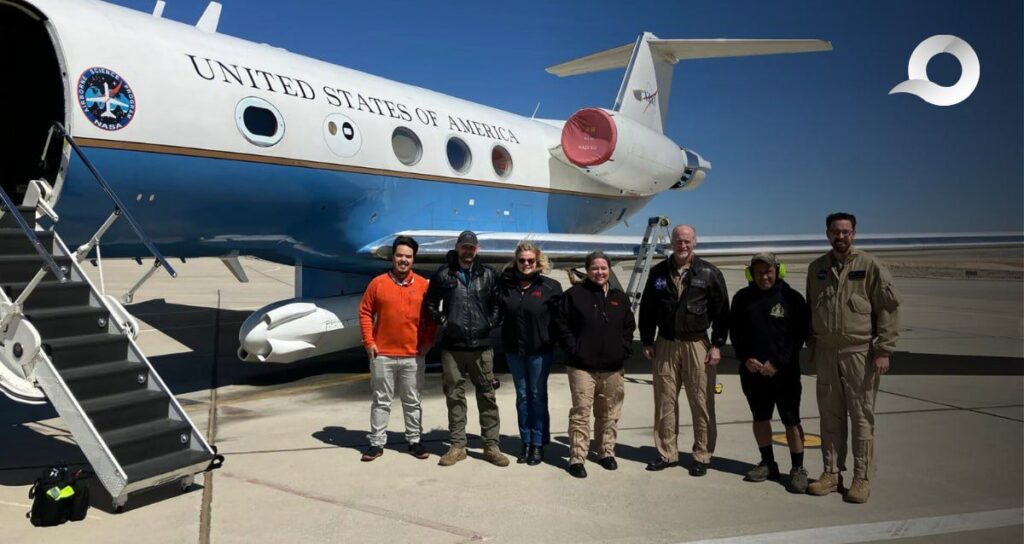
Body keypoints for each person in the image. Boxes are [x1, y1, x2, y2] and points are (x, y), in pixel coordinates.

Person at [805, 212, 901, 503]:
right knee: (829, 416)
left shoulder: (870, 265)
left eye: (846, 232)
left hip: (858, 353)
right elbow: (811, 308)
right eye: (835, 231)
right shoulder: (817, 268)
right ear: (827, 234)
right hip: (826, 353)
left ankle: (862, 478)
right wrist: (813, 345)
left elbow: (887, 309)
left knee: (861, 416)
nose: (841, 236)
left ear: (854, 234)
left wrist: (884, 350)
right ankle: (831, 473)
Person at [638, 224, 729, 476]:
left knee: (701, 402)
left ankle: (702, 455)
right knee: (664, 401)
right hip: (666, 343)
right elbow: (647, 309)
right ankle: (667, 453)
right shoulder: (658, 273)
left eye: (687, 241)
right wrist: (647, 340)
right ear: (672, 243)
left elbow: (722, 311)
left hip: (697, 344)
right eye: (678, 240)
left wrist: (717, 344)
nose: (683, 245)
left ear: (695, 242)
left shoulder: (709, 273)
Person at [423, 230, 510, 467]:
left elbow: (498, 305)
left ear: (477, 249)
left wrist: (489, 323)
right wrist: (445, 322)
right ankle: (457, 446)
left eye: (472, 247)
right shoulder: (444, 274)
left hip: (482, 347)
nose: (468, 251)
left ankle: (491, 446)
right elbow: (430, 305)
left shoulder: (488, 274)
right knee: (455, 397)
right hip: (453, 347)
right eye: (464, 247)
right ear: (457, 247)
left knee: (487, 396)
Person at [729, 252, 810, 493]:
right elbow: (736, 333)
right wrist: (746, 358)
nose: (764, 276)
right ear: (751, 274)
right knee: (760, 418)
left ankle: (798, 468)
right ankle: (768, 463)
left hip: (784, 373)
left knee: (791, 420)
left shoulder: (792, 298)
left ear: (778, 271)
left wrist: (776, 363)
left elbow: (798, 337)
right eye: (759, 272)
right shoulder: (742, 299)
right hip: (752, 372)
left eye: (769, 271)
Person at [556, 251, 635, 479]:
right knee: (581, 412)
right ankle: (577, 457)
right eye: (594, 268)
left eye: (603, 268)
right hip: (582, 367)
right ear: (587, 270)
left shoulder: (619, 297)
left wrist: (623, 350)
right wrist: (574, 348)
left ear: (609, 270)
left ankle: (605, 452)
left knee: (608, 413)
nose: (599, 272)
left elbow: (628, 327)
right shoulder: (574, 295)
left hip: (612, 367)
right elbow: (561, 325)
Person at [357, 236, 435, 461]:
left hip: (413, 355)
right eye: (399, 255)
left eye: (408, 256)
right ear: (392, 257)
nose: (403, 260)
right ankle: (377, 443)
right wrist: (369, 342)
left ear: (413, 259)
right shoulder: (378, 283)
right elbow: (365, 312)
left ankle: (414, 440)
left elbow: (431, 317)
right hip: (382, 355)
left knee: (412, 401)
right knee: (381, 401)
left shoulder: (423, 285)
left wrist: (428, 341)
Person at [496, 241, 562, 466]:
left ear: (538, 261)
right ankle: (525, 441)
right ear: (516, 261)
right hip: (514, 350)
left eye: (530, 260)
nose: (526, 264)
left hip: (540, 352)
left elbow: (560, 319)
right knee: (523, 397)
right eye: (522, 260)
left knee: (537, 396)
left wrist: (553, 340)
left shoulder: (550, 287)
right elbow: (497, 311)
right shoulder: (507, 286)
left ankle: (538, 443)